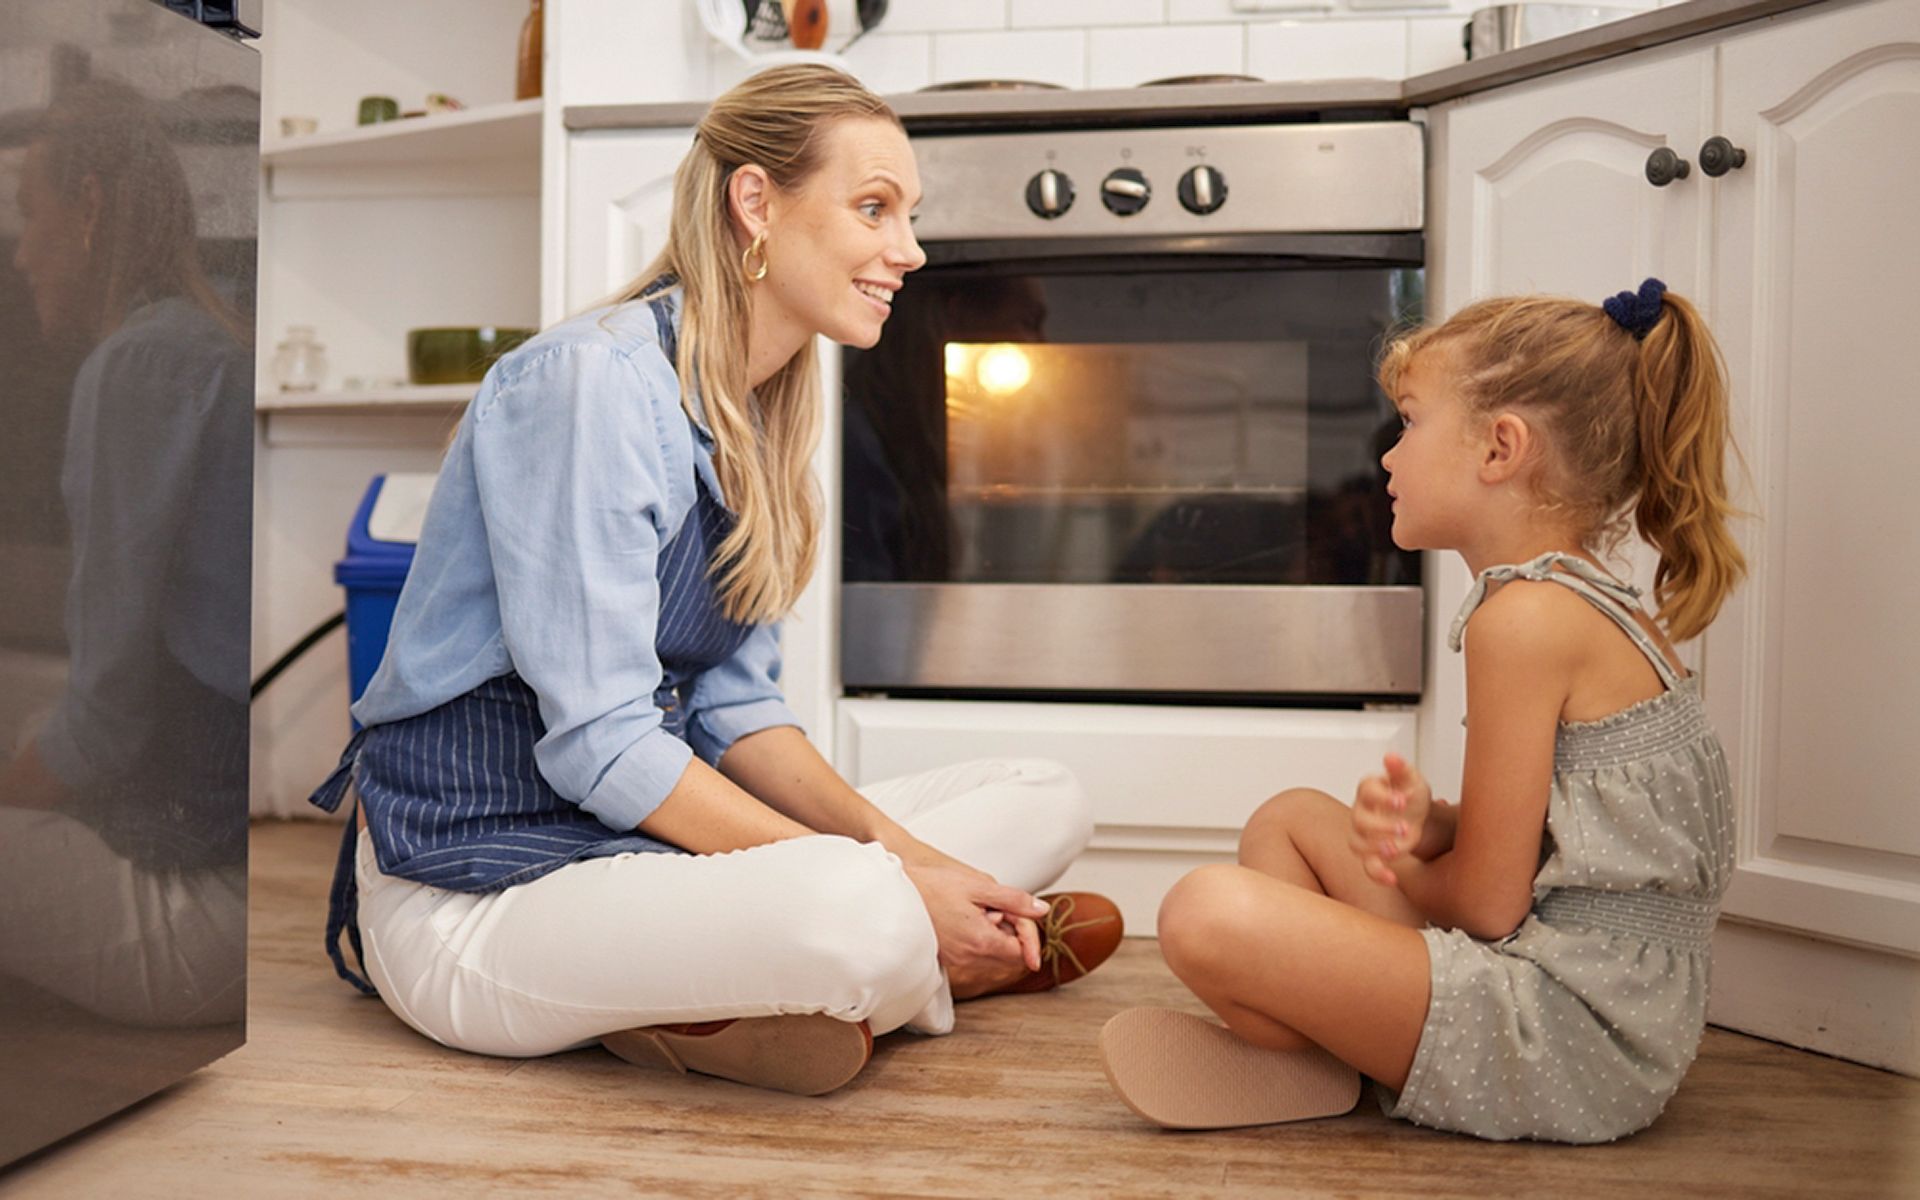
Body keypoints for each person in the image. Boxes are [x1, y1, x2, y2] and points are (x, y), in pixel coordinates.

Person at [306, 65, 1120, 1097]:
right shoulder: (591, 385)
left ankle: (790, 989)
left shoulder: (763, 416)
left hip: (635, 857)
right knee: (856, 905)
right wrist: (894, 881)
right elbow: (602, 745)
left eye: (908, 216)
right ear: (755, 203)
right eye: (875, 208)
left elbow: (739, 712)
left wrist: (917, 859)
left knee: (1048, 797)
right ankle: (899, 967)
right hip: (481, 891)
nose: (908, 251)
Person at [1100, 278, 1746, 1144]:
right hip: (1590, 1006)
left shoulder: (1522, 619)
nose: (1388, 459)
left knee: (1203, 911)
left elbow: (1484, 907)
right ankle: (1315, 1065)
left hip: (1571, 1040)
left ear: (1500, 448)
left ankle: (1310, 1058)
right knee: (1290, 820)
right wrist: (1432, 826)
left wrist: (1401, 863)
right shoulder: (1581, 599)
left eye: (1409, 423)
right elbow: (1551, 844)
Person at [0, 79, 252, 1030]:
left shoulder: (140, 364)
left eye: (30, 215)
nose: (21, 253)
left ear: (92, 206)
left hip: (193, 907)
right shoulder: (199, 343)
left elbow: (102, 721)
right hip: (228, 867)